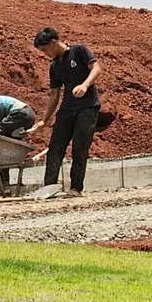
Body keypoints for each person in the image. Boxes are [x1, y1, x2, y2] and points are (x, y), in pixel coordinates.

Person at [31, 27, 103, 196]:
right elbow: (54, 94)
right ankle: (49, 187)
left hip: (87, 107)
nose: (45, 54)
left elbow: (96, 69)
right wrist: (45, 120)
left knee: (80, 146)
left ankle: (75, 188)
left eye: (45, 49)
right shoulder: (55, 66)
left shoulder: (79, 51)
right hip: (67, 109)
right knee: (56, 146)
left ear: (53, 43)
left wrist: (85, 85)